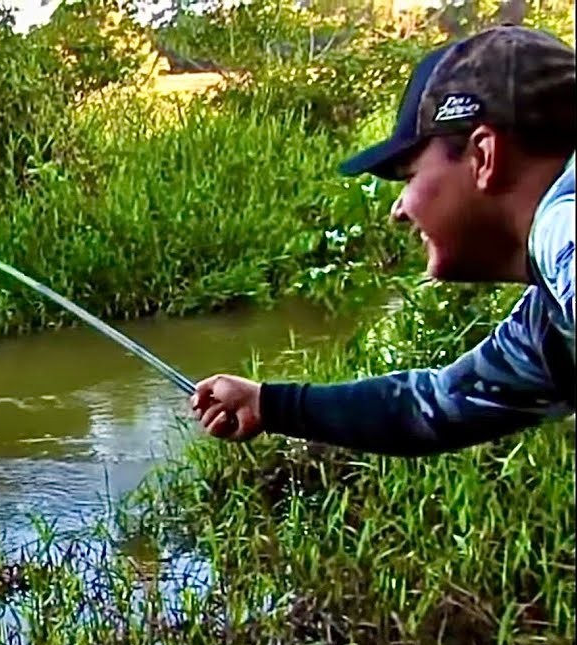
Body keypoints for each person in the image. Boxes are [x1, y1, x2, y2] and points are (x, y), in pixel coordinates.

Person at [190, 24, 576, 456]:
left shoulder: (562, 224)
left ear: (484, 158)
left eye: (409, 177)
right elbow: (432, 405)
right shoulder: (548, 320)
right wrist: (268, 404)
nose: (398, 210)